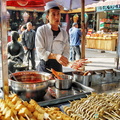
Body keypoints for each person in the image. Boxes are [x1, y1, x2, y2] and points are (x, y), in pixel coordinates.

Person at [35, 1, 70, 73]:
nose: (57, 17)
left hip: (58, 67)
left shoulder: (64, 33)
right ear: (47, 17)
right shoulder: (41, 30)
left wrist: (65, 60)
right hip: (44, 66)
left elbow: (66, 49)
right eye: (53, 14)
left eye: (58, 14)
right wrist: (55, 56)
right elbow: (40, 51)